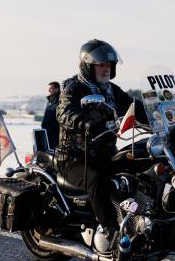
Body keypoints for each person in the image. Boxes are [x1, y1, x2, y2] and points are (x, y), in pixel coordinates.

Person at [55, 39, 144, 243]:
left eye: (108, 65)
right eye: (101, 65)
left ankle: (138, 220)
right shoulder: (73, 89)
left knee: (136, 168)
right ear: (88, 66)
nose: (106, 69)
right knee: (96, 180)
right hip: (75, 158)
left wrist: (158, 115)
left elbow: (133, 107)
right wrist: (85, 123)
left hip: (105, 154)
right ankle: (110, 229)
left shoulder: (111, 90)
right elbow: (64, 113)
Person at [41, 81, 60, 149]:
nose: (49, 90)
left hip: (54, 136)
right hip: (46, 134)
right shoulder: (50, 102)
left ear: (57, 89)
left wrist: (51, 129)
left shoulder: (60, 102)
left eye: (51, 88)